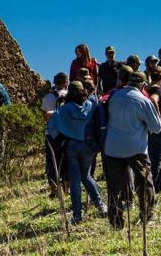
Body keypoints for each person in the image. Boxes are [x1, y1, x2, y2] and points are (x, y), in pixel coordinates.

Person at [103, 71, 161, 229]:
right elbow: (156, 128)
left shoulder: (113, 97)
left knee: (113, 188)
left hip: (112, 149)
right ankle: (146, 216)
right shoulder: (143, 100)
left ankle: (116, 222)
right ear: (143, 84)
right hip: (136, 149)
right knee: (144, 183)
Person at [54, 81, 108, 223]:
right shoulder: (91, 105)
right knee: (87, 176)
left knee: (75, 181)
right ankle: (101, 205)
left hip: (71, 146)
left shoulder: (64, 109)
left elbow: (53, 128)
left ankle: (77, 215)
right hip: (88, 146)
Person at [41, 72, 69, 196]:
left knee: (52, 162)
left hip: (51, 134)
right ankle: (66, 189)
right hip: (66, 133)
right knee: (66, 160)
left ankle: (54, 189)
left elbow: (44, 115)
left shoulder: (47, 97)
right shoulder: (70, 96)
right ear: (66, 82)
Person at [147, 66, 161, 186]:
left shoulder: (147, 88)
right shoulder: (156, 90)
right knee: (156, 159)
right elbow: (153, 100)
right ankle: (152, 186)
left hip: (149, 129)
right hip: (159, 130)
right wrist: (158, 119)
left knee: (150, 157)